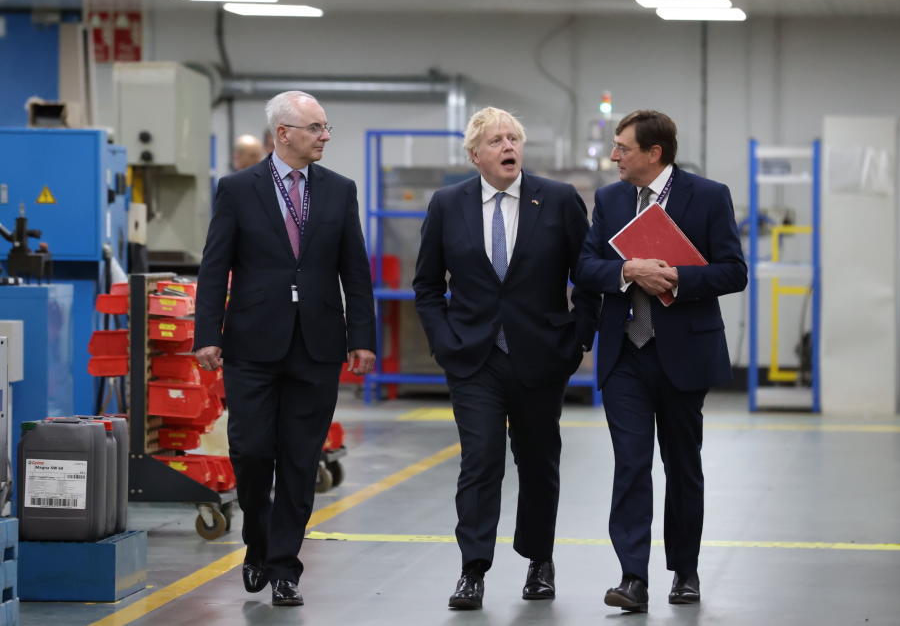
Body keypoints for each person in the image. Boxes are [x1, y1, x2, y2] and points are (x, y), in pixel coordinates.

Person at [413, 107, 600, 610]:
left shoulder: (558, 201)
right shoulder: (448, 204)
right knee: (480, 461)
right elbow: (428, 286)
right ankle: (472, 569)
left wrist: (577, 338)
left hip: (541, 356)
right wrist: (444, 343)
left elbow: (588, 276)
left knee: (539, 462)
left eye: (513, 138)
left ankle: (540, 561)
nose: (508, 146)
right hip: (474, 358)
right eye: (495, 140)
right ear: (475, 155)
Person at [194, 90, 376, 607]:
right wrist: (206, 333)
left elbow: (354, 272)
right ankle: (257, 542)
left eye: (325, 127)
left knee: (299, 459)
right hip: (251, 343)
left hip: (317, 345)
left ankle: (284, 567)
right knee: (251, 451)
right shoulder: (237, 190)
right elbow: (215, 267)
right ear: (283, 135)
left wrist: (362, 337)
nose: (325, 136)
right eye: (315, 127)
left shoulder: (340, 191)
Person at [576, 110, 747, 613]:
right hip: (626, 353)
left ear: (654, 153)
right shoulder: (609, 200)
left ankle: (685, 572)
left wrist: (675, 276)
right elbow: (586, 267)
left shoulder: (708, 196)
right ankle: (632, 578)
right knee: (630, 465)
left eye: (622, 148)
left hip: (683, 354)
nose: (613, 157)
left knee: (683, 466)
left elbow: (733, 271)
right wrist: (627, 270)